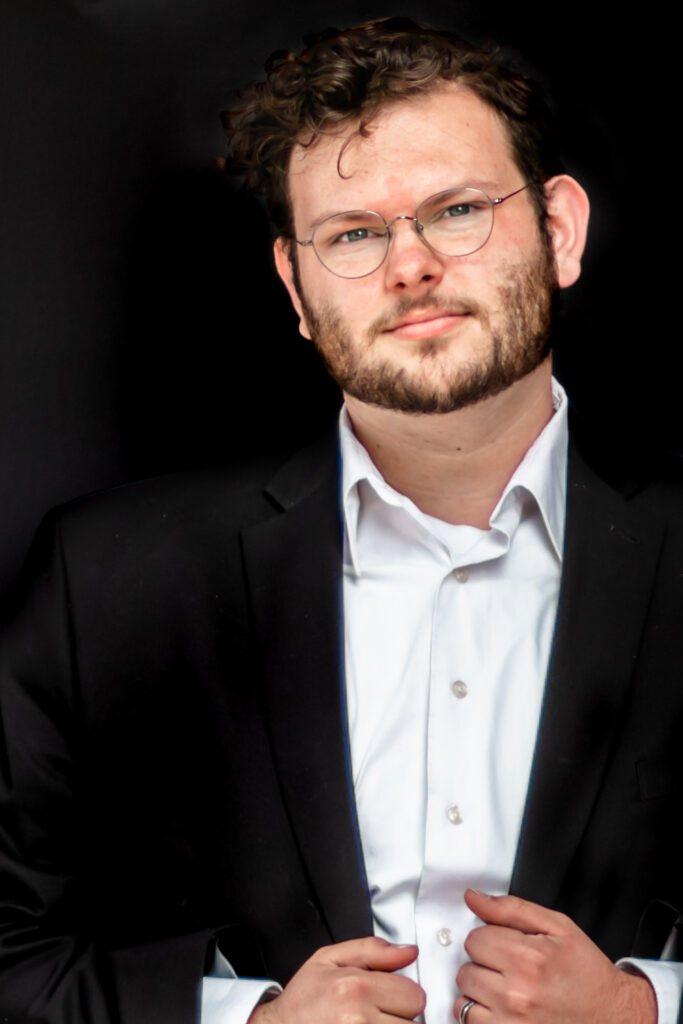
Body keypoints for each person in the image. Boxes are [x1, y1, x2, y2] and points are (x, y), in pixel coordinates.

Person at [0, 16, 681, 1024]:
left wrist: (642, 1009)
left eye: (456, 210)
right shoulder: (103, 582)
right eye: (354, 233)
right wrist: (249, 1022)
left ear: (559, 231)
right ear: (295, 284)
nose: (408, 265)